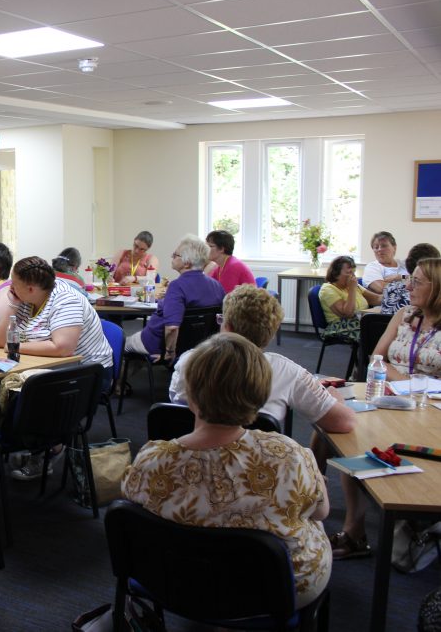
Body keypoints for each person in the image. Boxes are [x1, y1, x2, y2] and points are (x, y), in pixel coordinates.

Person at [122, 333, 331, 609]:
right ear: (259, 395)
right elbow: (321, 512)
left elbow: (130, 503)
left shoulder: (152, 458)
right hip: (271, 591)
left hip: (174, 581)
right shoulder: (290, 456)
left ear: (191, 393)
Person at [329, 258, 441, 560]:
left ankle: (407, 516)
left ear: (437, 287)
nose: (408, 286)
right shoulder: (405, 315)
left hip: (431, 408)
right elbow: (376, 358)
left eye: (417, 282)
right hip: (391, 396)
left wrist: (404, 379)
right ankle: (354, 530)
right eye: (410, 279)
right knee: (349, 441)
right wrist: (404, 379)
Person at [169, 284, 356, 463]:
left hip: (188, 465)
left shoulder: (190, 361)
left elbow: (176, 411)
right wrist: (336, 401)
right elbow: (343, 423)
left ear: (228, 327)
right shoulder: (286, 370)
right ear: (271, 334)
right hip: (260, 474)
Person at [0, 256, 113, 481]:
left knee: (30, 393)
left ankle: (48, 447)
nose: (10, 286)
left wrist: (13, 346)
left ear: (29, 287)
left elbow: (62, 348)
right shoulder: (27, 299)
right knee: (0, 385)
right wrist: (12, 305)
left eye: (14, 283)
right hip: (50, 368)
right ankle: (27, 441)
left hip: (87, 374)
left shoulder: (65, 300)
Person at [125, 234, 224, 362]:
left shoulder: (177, 286)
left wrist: (170, 352)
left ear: (187, 263)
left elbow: (172, 328)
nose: (172, 257)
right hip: (199, 346)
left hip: (158, 344)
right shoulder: (216, 285)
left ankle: (118, 381)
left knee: (123, 343)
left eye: (176, 255)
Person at [318, 255, 381, 342]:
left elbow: (376, 299)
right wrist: (352, 289)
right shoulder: (328, 289)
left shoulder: (354, 286)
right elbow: (348, 314)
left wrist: (394, 298)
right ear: (336, 274)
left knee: (383, 325)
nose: (353, 276)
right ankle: (366, 355)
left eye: (353, 272)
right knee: (376, 332)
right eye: (349, 272)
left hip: (360, 320)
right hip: (340, 325)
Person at [382, 243, 440, 314]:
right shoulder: (424, 297)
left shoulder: (390, 287)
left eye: (417, 281)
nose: (408, 287)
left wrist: (401, 277)